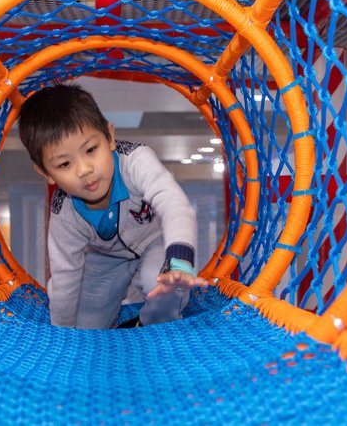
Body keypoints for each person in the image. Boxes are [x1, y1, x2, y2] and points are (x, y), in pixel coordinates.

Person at [18, 84, 207, 329]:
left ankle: (148, 325)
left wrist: (179, 263)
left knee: (165, 283)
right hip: (105, 258)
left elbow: (174, 204)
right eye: (64, 164)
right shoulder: (64, 212)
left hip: (155, 241)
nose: (84, 170)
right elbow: (65, 279)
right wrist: (63, 334)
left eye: (90, 150)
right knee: (87, 325)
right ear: (46, 173)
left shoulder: (136, 161)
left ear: (109, 137)